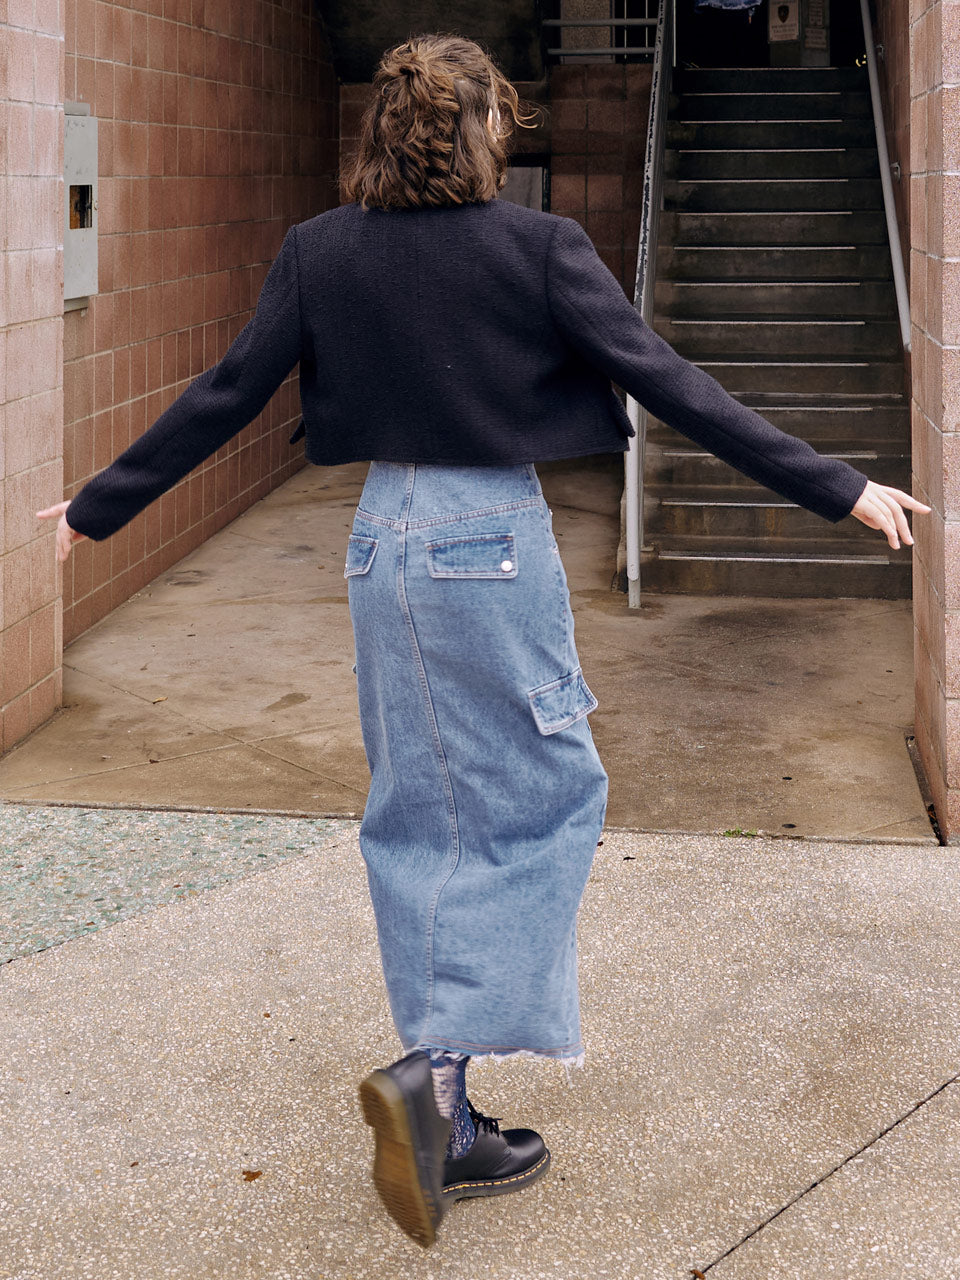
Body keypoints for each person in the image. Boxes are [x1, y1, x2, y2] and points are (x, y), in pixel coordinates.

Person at [37, 33, 929, 1250]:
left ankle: (444, 1102)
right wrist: (836, 485)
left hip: (378, 544)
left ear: (382, 136)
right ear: (484, 134)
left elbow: (226, 391)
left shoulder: (320, 250)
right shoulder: (538, 247)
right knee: (547, 790)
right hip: (487, 539)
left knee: (417, 803)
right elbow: (667, 379)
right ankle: (440, 1076)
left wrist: (98, 507)